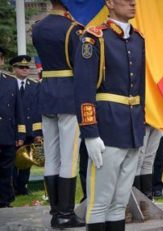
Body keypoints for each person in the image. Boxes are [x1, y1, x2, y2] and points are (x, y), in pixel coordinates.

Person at [74, 0, 145, 230]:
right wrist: (90, 132)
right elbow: (84, 89)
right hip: (107, 127)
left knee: (119, 203)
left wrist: (142, 124)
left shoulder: (138, 39)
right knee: (99, 202)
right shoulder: (94, 39)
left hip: (132, 127)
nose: (133, 2)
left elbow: (140, 88)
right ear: (110, 3)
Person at [32, 0, 84, 228]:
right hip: (68, 96)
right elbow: (80, 65)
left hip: (47, 93)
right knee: (69, 158)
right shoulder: (73, 29)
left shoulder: (38, 28)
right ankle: (65, 213)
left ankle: (55, 211)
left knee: (51, 157)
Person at [9, 55, 42, 196]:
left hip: (30, 130)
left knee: (26, 161)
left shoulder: (35, 85)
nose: (24, 70)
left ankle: (22, 187)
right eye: (21, 67)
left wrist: (38, 133)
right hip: (11, 130)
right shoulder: (8, 84)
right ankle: (11, 188)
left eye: (26, 67)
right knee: (10, 161)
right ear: (14, 69)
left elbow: (37, 110)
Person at [0, 47, 25, 208]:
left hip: (6, 133)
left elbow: (18, 110)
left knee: (5, 170)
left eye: (0, 58)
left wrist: (20, 135)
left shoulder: (10, 81)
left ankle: (3, 200)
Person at [133, 125, 163, 200]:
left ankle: (148, 196)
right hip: (142, 120)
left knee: (149, 159)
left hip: (157, 121)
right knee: (138, 159)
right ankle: (137, 197)